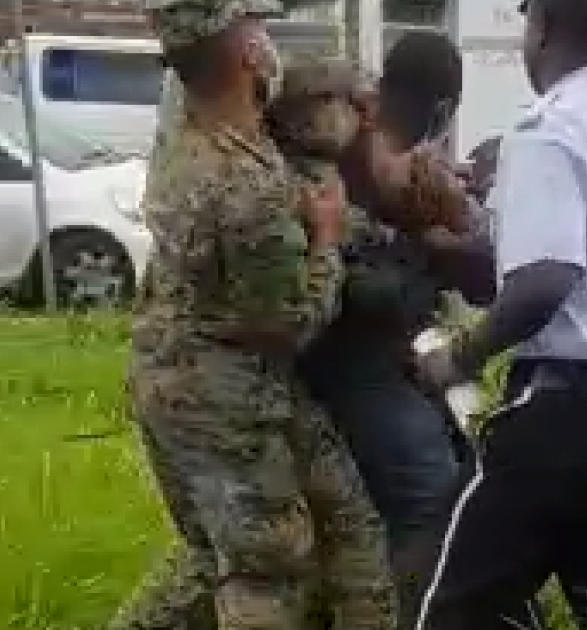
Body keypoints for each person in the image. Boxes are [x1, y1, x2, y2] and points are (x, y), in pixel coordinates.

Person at [404, 0, 587, 627]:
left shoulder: (548, 128)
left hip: (567, 418)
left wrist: (458, 358)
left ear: (546, 28)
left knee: (437, 602)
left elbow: (545, 281)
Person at [117, 2, 396, 629]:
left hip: (195, 376)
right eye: (260, 30)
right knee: (264, 569)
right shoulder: (242, 182)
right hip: (224, 393)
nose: (272, 43)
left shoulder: (194, 142)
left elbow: (266, 209)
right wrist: (325, 239)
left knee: (344, 522)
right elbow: (291, 320)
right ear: (246, 53)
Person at [267, 51, 470, 623]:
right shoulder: (299, 180)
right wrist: (427, 259)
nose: (358, 112)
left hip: (371, 358)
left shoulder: (353, 165)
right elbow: (369, 288)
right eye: (341, 102)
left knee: (447, 477)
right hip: (343, 364)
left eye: (358, 99)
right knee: (428, 493)